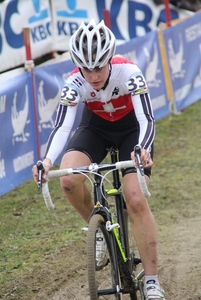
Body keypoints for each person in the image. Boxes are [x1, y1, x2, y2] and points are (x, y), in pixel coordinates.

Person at [32, 19, 165, 299]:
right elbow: (62, 127)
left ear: (110, 59)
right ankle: (100, 231)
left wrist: (143, 147)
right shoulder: (75, 82)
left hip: (132, 130)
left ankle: (152, 281)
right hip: (96, 128)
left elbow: (147, 118)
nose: (92, 76)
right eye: (86, 68)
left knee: (135, 198)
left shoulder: (129, 72)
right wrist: (46, 161)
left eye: (99, 67)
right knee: (68, 179)